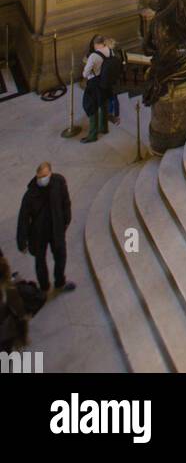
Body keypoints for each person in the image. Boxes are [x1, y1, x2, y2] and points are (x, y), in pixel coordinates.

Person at [16, 163, 75, 295]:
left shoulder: (58, 182)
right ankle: (44, 286)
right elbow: (23, 218)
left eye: (45, 176)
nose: (42, 179)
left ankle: (60, 281)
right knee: (40, 261)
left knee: (60, 256)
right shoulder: (30, 194)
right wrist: (22, 241)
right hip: (39, 233)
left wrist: (66, 220)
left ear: (50, 173)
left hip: (56, 229)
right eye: (40, 176)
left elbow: (66, 202)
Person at [80, 36, 108, 143]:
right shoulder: (110, 51)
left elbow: (85, 74)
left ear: (94, 45)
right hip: (106, 82)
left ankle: (92, 135)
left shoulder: (93, 56)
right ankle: (104, 128)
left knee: (91, 106)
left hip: (94, 83)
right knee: (103, 103)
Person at [98, 38, 124, 127]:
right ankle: (114, 115)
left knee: (111, 99)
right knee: (113, 99)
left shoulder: (108, 60)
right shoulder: (117, 57)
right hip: (115, 82)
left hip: (109, 84)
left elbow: (104, 73)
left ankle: (113, 116)